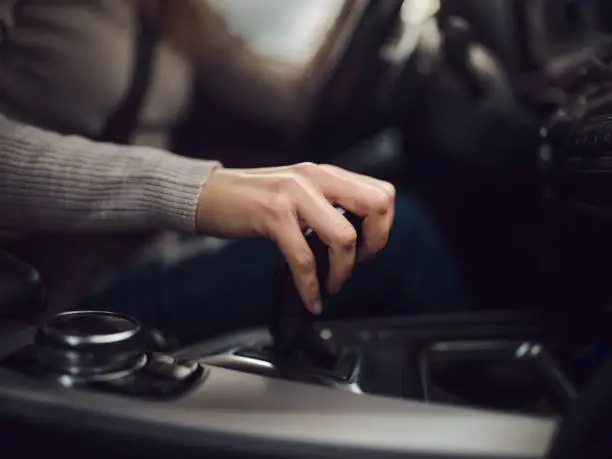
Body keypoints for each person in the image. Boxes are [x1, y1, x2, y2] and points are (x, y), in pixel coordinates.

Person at [0, 0, 465, 344]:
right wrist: (199, 192)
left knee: (382, 214)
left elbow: (293, 102)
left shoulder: (178, 14)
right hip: (60, 291)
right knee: (404, 234)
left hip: (149, 253)